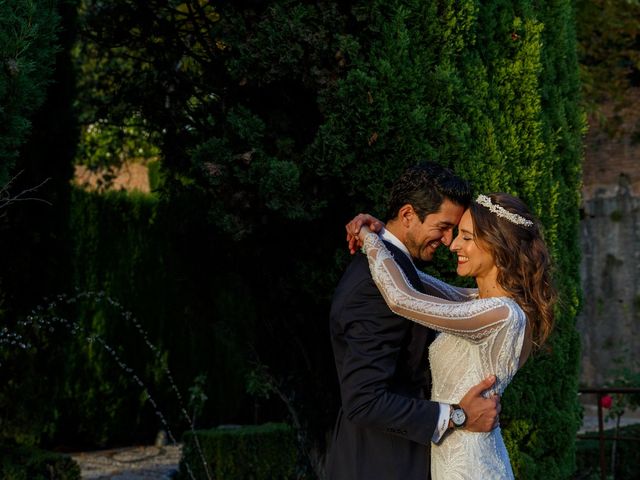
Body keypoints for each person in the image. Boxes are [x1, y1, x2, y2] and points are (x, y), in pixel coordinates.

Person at [347, 192, 556, 479]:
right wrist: (386, 236)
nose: (454, 244)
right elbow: (414, 280)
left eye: (466, 237)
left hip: (470, 466)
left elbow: (401, 298)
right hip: (454, 454)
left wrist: (367, 237)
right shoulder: (476, 303)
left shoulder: (502, 314)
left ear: (499, 246)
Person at [327, 163, 501, 480]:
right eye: (444, 227)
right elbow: (363, 401)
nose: (449, 241)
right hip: (379, 463)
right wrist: (459, 416)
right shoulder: (373, 287)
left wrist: (370, 236)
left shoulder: (395, 270)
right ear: (408, 215)